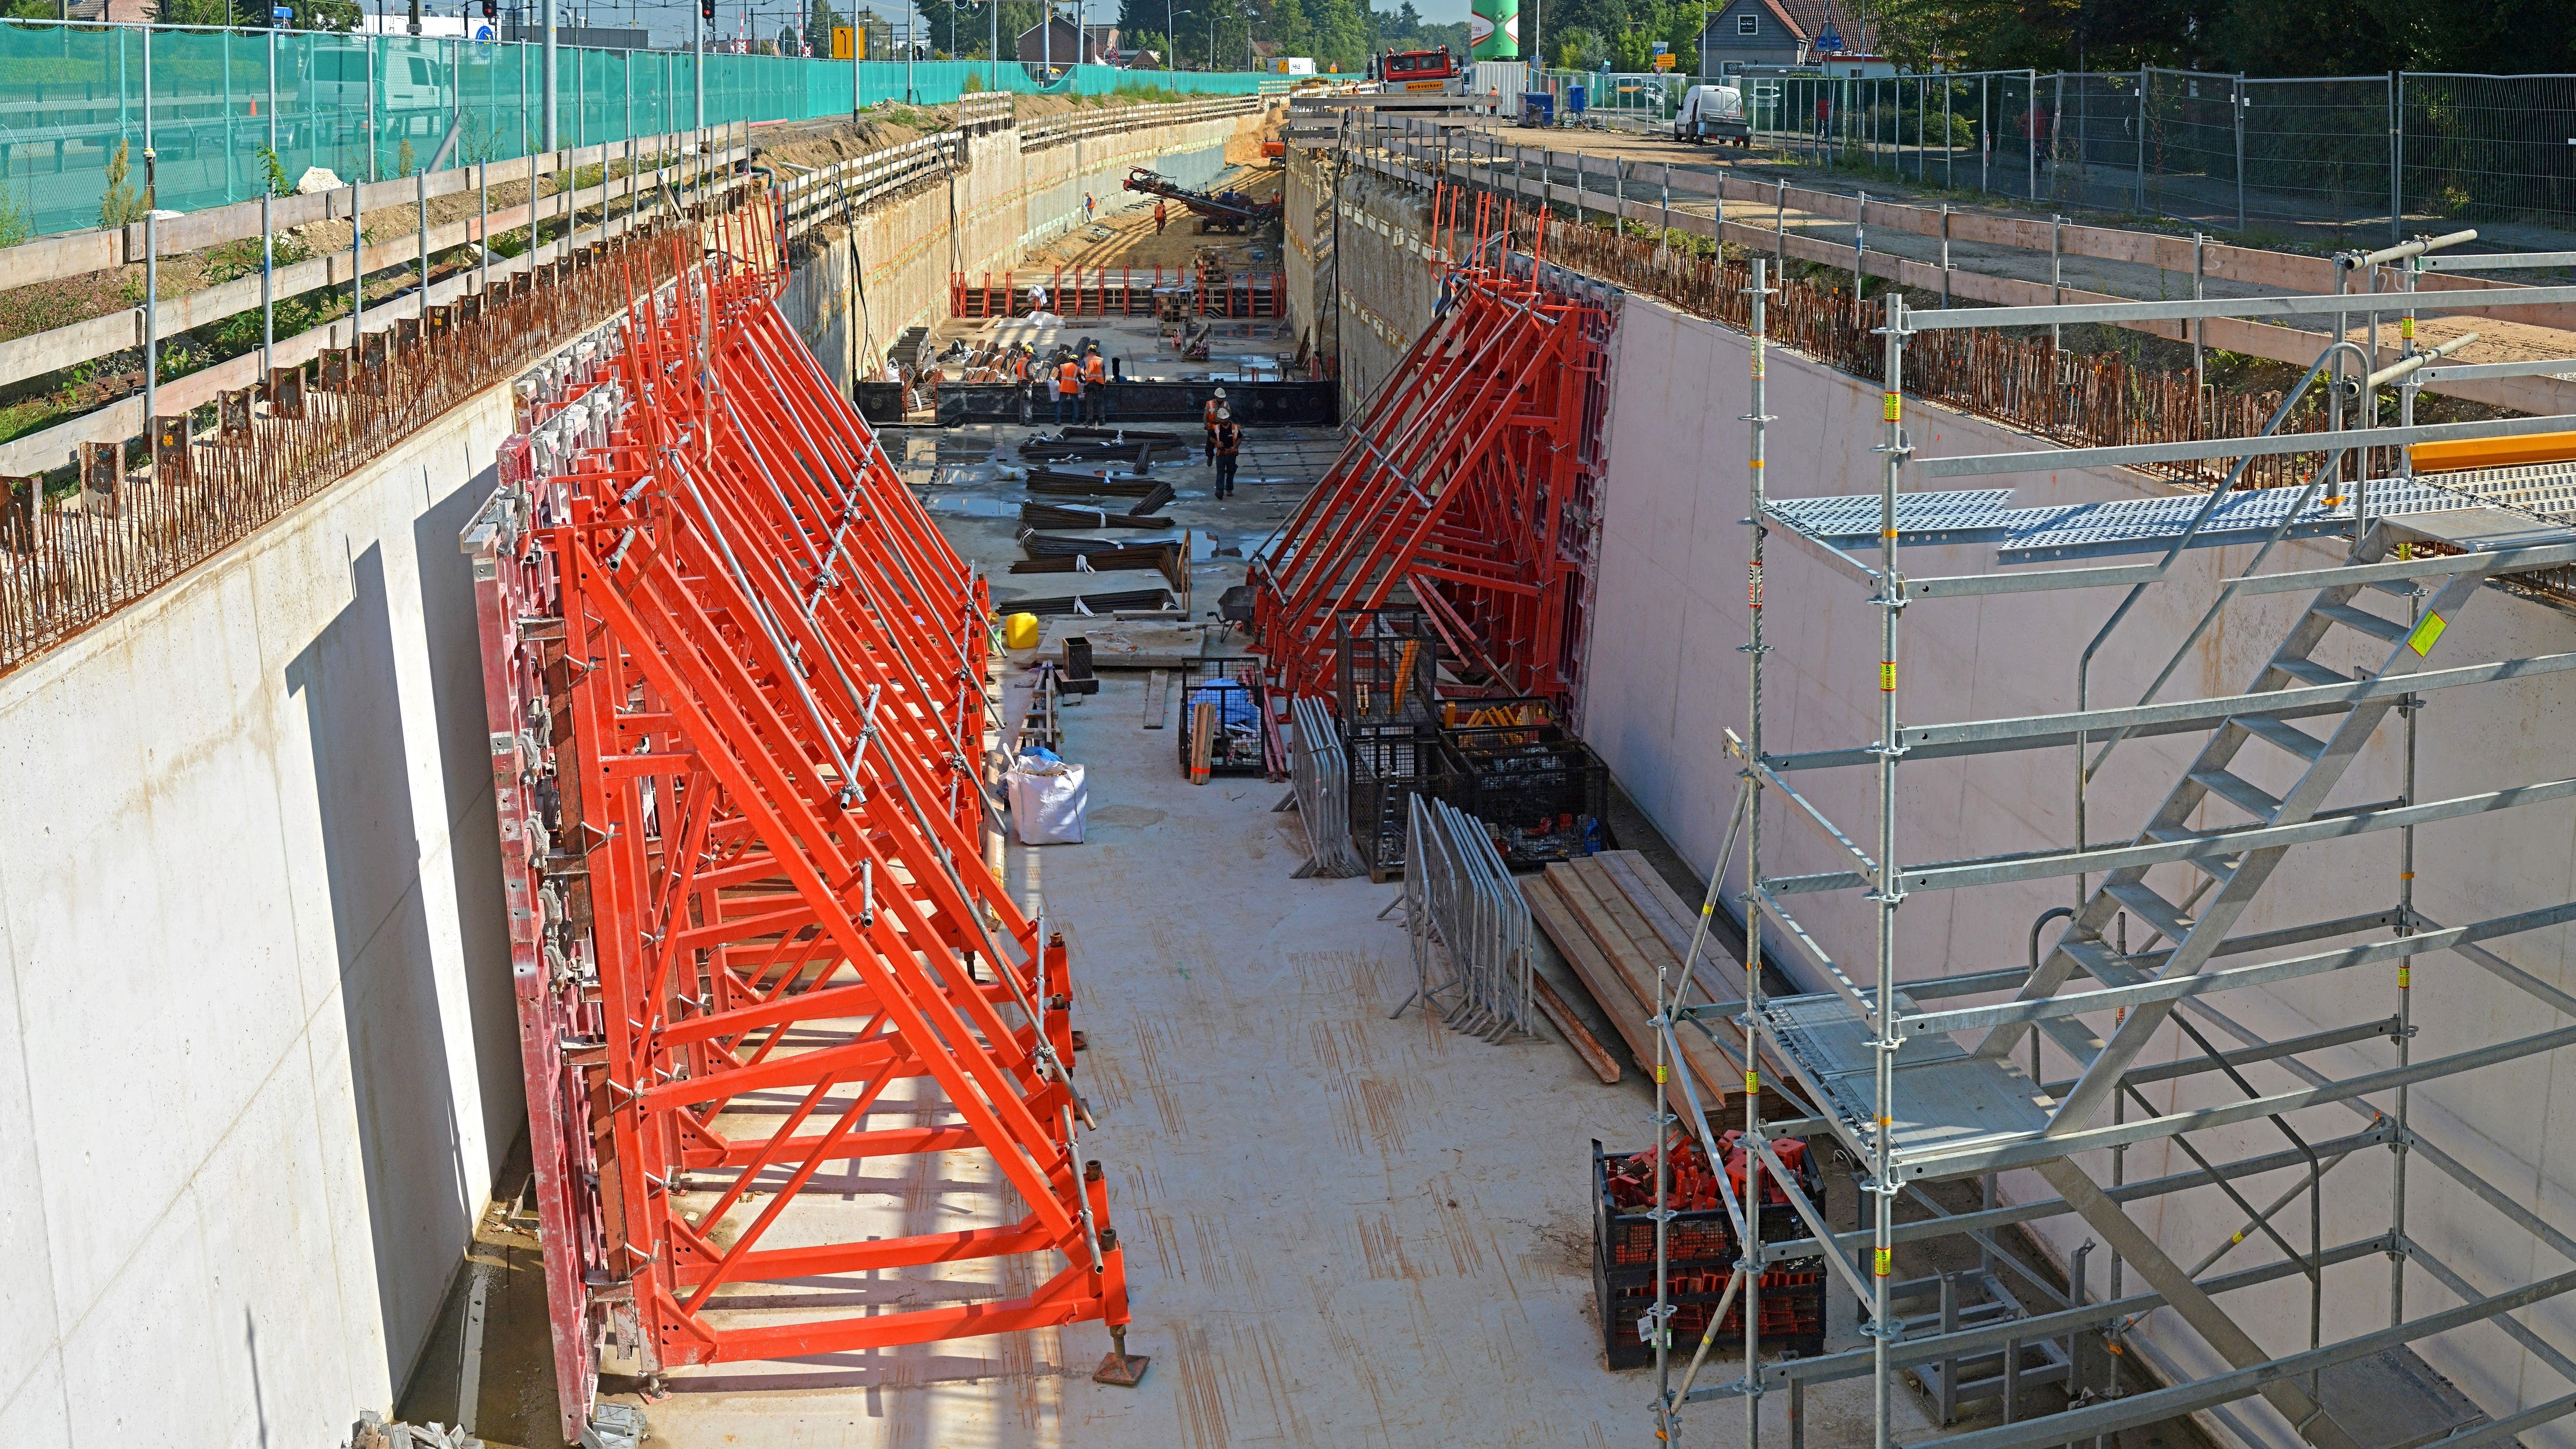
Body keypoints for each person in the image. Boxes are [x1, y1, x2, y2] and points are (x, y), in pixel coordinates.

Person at [1211, 407, 1243, 499]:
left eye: (1225, 419)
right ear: (1220, 419)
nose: (1224, 420)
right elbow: (1211, 438)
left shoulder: (1234, 428)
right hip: (1221, 453)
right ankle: (1219, 491)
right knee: (1220, 472)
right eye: (1222, 419)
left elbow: (1240, 438)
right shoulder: (1217, 428)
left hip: (1231, 453)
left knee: (1230, 471)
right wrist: (1217, 442)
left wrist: (1234, 447)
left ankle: (1229, 489)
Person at [1082, 347, 1109, 423]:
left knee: (1090, 403)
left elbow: (1081, 370)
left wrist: (1085, 378)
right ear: (1095, 353)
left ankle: (1089, 420)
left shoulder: (1085, 360)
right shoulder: (1101, 360)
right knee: (1100, 403)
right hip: (1099, 383)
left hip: (1090, 383)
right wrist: (1104, 383)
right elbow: (1103, 372)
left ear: (1089, 352)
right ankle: (1102, 420)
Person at [1055, 353, 1081, 426]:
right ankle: (1075, 421)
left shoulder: (1063, 366)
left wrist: (1060, 381)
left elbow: (1058, 377)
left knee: (1060, 403)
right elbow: (1081, 379)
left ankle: (1057, 420)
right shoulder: (1077, 368)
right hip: (1073, 388)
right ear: (1076, 361)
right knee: (1075, 404)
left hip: (1064, 387)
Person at [1203, 386, 1227, 463]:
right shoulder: (1210, 404)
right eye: (1219, 398)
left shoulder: (1226, 404)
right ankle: (1210, 456)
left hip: (1222, 427)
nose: (1221, 400)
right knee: (1210, 444)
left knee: (1224, 444)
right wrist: (1206, 425)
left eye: (1222, 398)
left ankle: (1222, 458)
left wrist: (1223, 408)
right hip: (1212, 427)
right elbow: (1205, 416)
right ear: (1216, 397)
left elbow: (1229, 414)